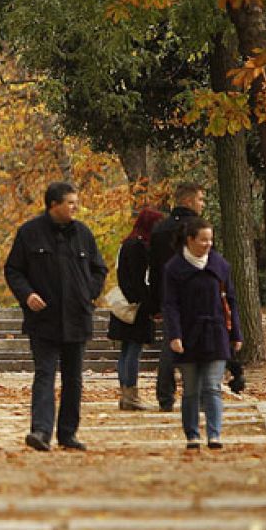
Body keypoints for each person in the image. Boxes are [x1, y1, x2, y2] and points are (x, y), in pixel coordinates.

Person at [5, 182, 107, 452]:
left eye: (76, 202)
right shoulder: (29, 233)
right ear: (54, 205)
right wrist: (27, 295)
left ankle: (68, 433)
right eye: (71, 202)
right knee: (45, 374)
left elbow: (99, 269)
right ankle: (40, 431)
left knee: (74, 379)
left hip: (77, 317)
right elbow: (13, 270)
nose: (76, 207)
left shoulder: (83, 233)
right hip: (44, 320)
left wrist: (89, 293)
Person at [161, 217, 243, 450]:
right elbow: (170, 304)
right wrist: (174, 335)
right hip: (188, 335)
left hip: (216, 333)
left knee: (212, 385)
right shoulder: (174, 268)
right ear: (190, 240)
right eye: (203, 240)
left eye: (210, 239)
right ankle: (192, 434)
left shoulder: (220, 266)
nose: (208, 244)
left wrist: (236, 333)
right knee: (191, 389)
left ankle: (215, 434)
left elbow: (232, 302)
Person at [147, 181, 205, 411]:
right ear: (189, 201)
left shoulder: (160, 228)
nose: (202, 204)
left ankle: (165, 395)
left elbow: (153, 267)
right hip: (195, 293)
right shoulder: (198, 228)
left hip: (168, 294)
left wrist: (155, 302)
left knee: (170, 344)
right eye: (200, 199)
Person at [108, 206, 163, 411]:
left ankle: (126, 393)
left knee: (126, 350)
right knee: (133, 350)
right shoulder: (139, 247)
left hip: (125, 303)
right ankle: (131, 394)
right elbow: (140, 280)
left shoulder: (126, 244)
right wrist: (150, 305)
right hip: (136, 306)